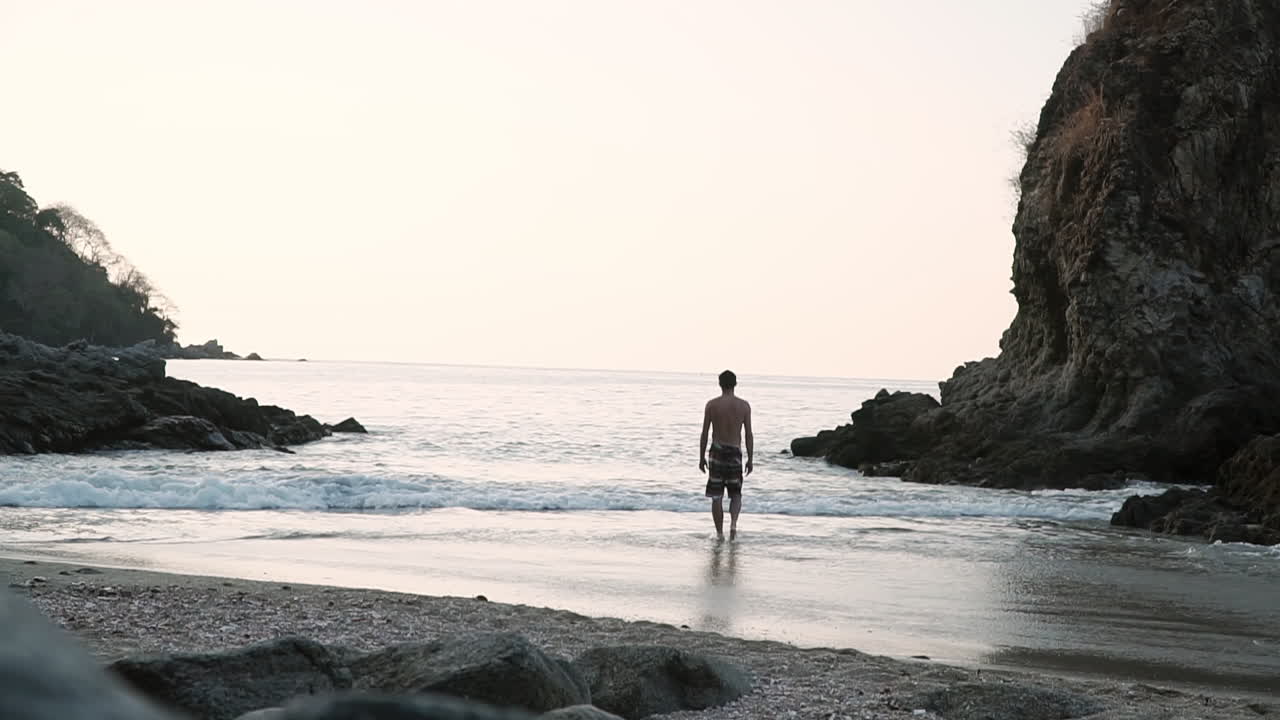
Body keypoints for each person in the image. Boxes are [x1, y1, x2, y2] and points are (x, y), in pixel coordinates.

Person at [699, 369, 753, 540]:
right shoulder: (744, 406)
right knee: (736, 494)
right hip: (735, 453)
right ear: (735, 384)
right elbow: (748, 434)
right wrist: (750, 459)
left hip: (717, 452)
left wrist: (701, 457)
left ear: (720, 384)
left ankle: (720, 534)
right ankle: (733, 525)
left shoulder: (712, 405)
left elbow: (704, 433)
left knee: (716, 496)